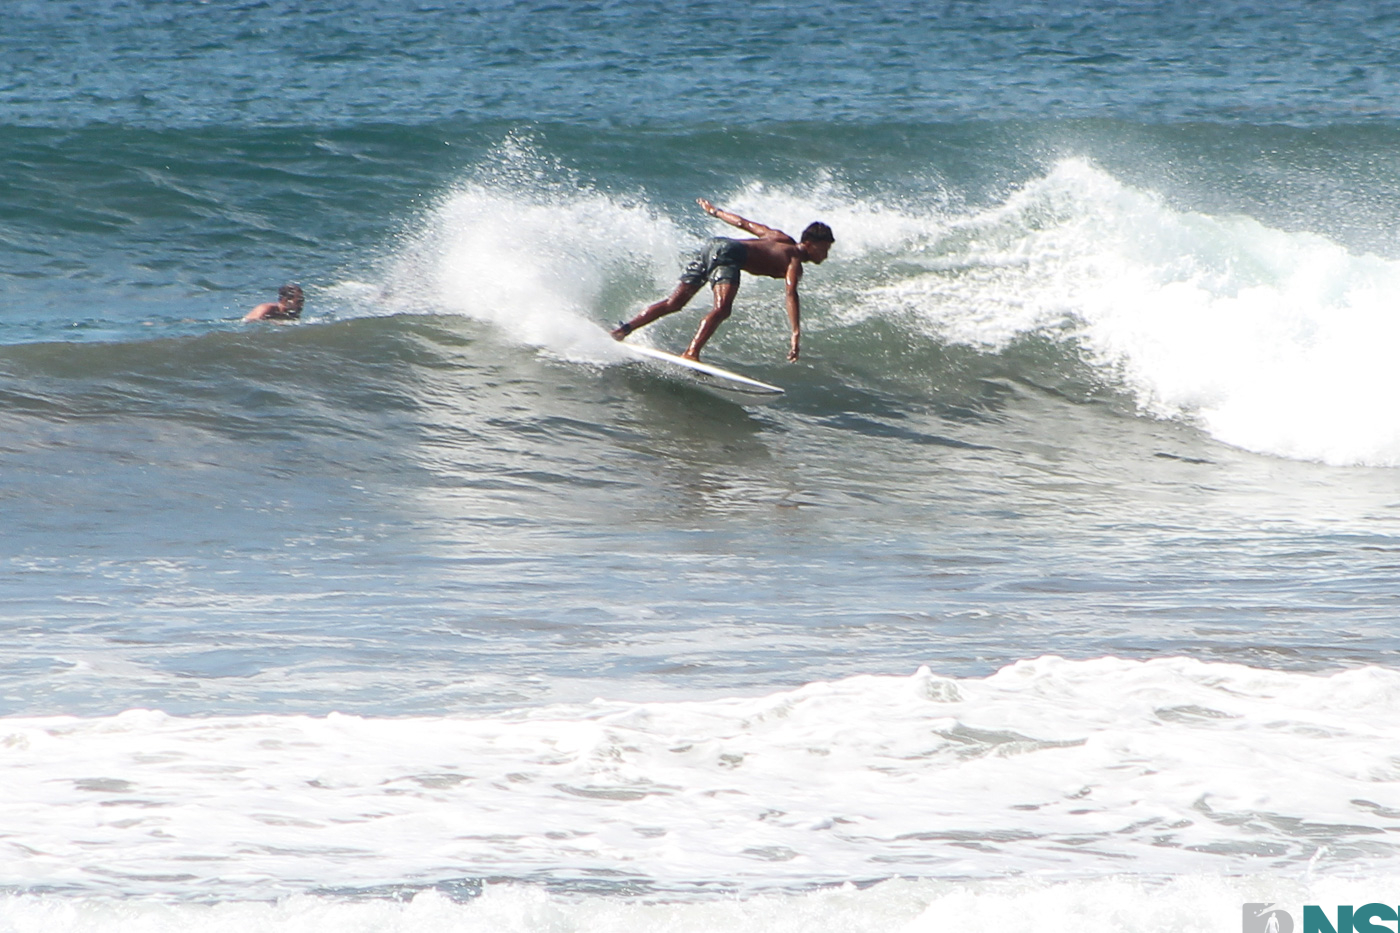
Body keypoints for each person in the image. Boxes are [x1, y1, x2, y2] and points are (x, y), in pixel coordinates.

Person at [611, 199, 834, 362]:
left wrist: (715, 212)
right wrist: (795, 333)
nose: (826, 254)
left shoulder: (779, 237)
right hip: (730, 253)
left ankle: (623, 330)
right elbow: (790, 293)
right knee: (722, 309)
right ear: (810, 244)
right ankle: (691, 353)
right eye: (825, 248)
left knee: (674, 303)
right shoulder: (794, 260)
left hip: (713, 245)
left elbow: (743, 223)